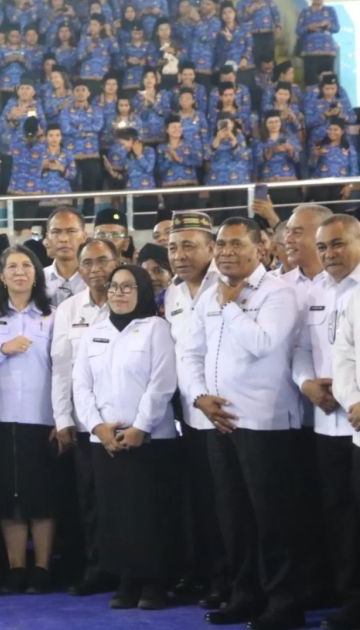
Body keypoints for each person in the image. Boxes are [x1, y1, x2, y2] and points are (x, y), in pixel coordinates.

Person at [179, 217, 303, 629]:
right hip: (219, 421)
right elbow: (190, 352)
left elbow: (263, 344)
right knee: (233, 518)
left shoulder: (278, 292)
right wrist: (199, 397)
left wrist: (231, 306)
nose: (227, 252)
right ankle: (244, 595)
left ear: (260, 247)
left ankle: (284, 604)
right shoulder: (211, 293)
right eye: (221, 245)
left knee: (272, 520)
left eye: (236, 244)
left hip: (264, 423)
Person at [72, 263, 178, 610]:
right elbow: (81, 385)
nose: (119, 293)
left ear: (142, 291)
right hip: (105, 440)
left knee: (150, 513)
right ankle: (127, 579)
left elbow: (161, 384)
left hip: (147, 439)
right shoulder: (94, 331)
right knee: (115, 514)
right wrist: (98, 427)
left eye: (127, 287)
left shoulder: (156, 328)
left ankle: (155, 582)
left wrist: (141, 427)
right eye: (114, 287)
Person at [0, 245, 58, 594]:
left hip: (41, 416)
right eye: (12, 266)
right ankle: (16, 567)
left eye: (27, 265)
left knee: (41, 497)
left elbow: (63, 367)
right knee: (8, 498)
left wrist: (62, 417)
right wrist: (2, 351)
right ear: (1, 274)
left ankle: (41, 567)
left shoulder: (53, 314)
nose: (20, 271)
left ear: (36, 273)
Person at [164, 211, 230, 609]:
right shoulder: (171, 294)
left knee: (228, 506)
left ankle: (228, 578)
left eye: (189, 245)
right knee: (199, 502)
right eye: (173, 247)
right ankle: (205, 572)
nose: (180, 254)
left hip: (223, 413)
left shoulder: (225, 285)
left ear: (211, 247)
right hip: (188, 415)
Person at [299, 214, 360, 630]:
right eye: (323, 247)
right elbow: (335, 354)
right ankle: (350, 601)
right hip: (328, 422)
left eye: (338, 244)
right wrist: (310, 385)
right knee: (339, 519)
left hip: (353, 423)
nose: (330, 254)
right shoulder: (310, 291)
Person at [50, 238, 120, 596]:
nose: (96, 270)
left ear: (118, 261)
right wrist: (63, 419)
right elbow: (61, 368)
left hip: (125, 421)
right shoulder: (69, 309)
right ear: (79, 270)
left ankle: (133, 568)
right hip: (84, 423)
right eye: (88, 263)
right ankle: (98, 567)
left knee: (126, 499)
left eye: (103, 261)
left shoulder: (131, 303)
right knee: (90, 498)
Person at [43, 207, 89, 307]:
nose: (63, 239)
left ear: (84, 236)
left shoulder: (93, 278)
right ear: (47, 237)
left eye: (71, 231)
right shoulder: (38, 278)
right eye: (56, 232)